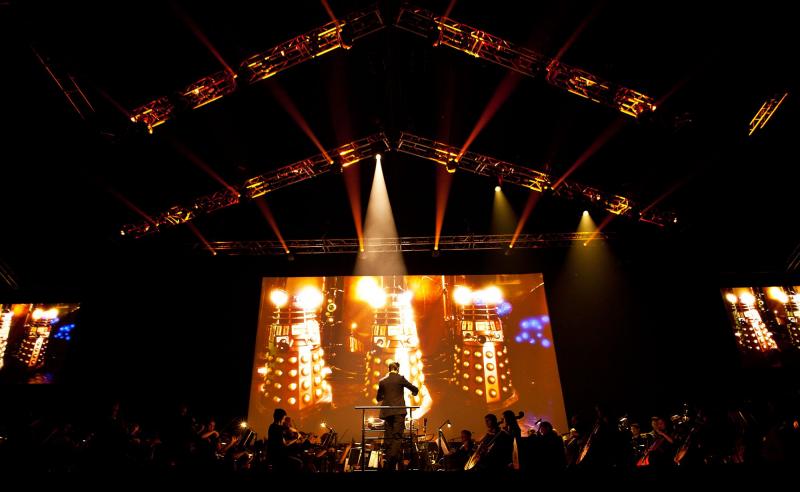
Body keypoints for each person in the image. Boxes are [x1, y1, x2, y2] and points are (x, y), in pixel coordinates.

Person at [376, 361, 419, 471]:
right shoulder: (400, 378)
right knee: (397, 437)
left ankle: (389, 464)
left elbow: (378, 398)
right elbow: (413, 388)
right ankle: (391, 462)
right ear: (398, 369)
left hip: (387, 412)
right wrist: (415, 392)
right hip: (398, 412)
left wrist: (386, 396)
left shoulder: (382, 381)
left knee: (389, 438)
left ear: (389, 369)